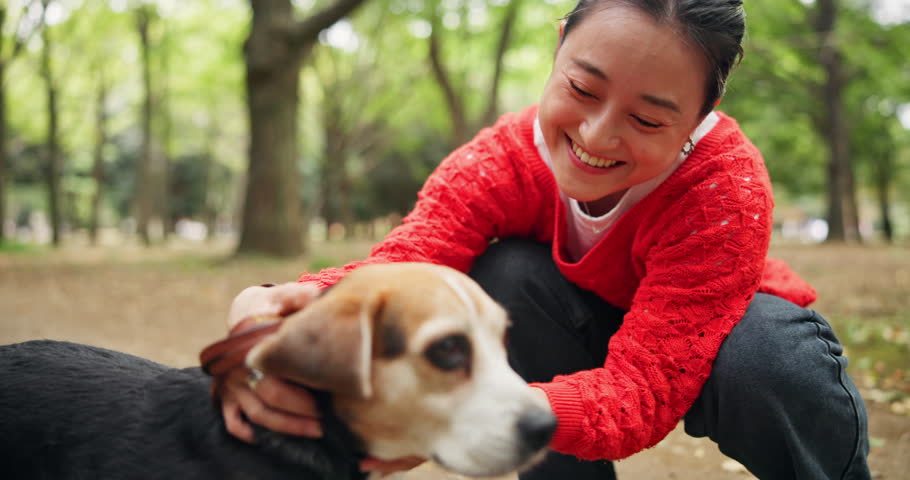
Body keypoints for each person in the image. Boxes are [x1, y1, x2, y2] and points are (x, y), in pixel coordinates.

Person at [220, 0, 872, 478]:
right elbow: (406, 265)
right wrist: (281, 304)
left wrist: (476, 412)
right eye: (582, 88)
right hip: (576, 328)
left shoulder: (724, 188)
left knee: (768, 359)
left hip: (705, 344)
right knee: (504, 275)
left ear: (702, 116)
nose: (595, 136)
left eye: (647, 119)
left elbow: (641, 389)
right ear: (559, 45)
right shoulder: (501, 159)